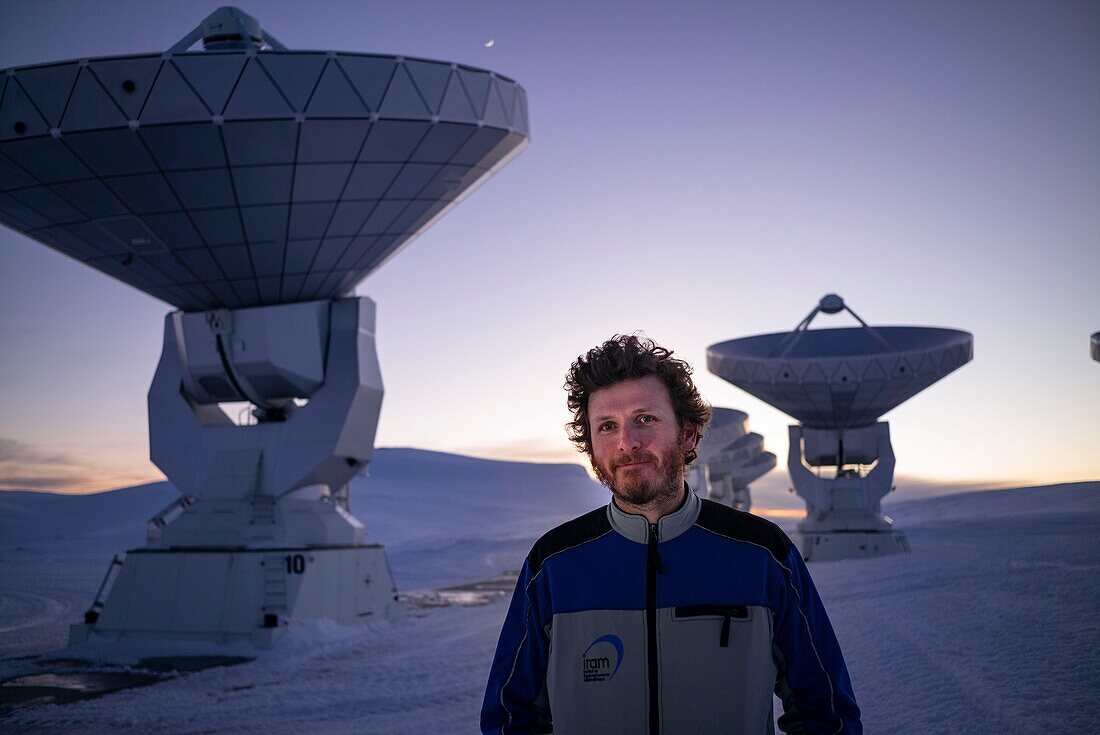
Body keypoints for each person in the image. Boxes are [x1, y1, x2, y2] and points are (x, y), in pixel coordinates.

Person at [481, 335, 861, 734]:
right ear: (591, 449)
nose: (628, 442)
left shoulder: (762, 555)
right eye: (607, 426)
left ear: (688, 434)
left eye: (645, 418)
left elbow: (827, 710)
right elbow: (510, 715)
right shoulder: (553, 564)